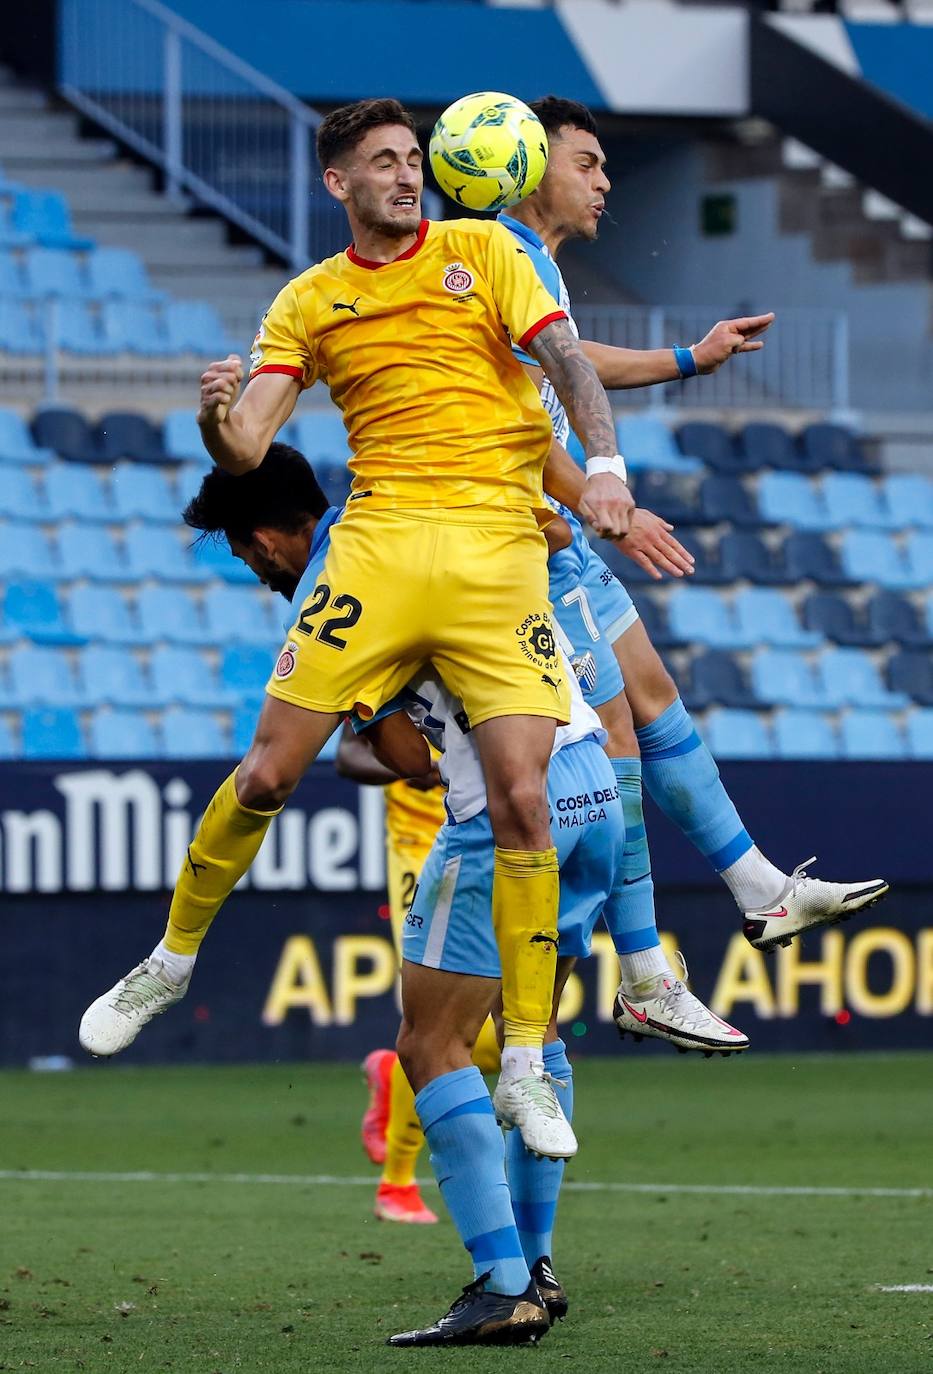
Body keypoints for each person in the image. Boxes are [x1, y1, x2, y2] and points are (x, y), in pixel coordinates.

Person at [78, 97, 636, 1160]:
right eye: (382, 161)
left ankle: (524, 1061)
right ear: (337, 183)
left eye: (413, 159)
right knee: (266, 776)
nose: (404, 174)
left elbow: (565, 363)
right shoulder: (312, 299)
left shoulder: (483, 250)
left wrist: (604, 470)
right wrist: (214, 416)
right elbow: (245, 450)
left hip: (493, 555)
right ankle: (171, 958)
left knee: (525, 798)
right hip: (377, 552)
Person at [497, 97, 887, 1028]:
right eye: (586, 163)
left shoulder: (533, 264)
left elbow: (566, 360)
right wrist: (597, 494)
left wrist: (687, 358)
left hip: (565, 536)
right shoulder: (492, 255)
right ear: (529, 161)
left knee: (656, 698)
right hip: (526, 545)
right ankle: (642, 974)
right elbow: (498, 421)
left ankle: (758, 890)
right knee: (615, 742)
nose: (601, 182)